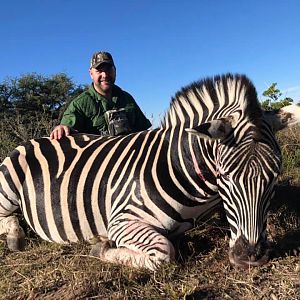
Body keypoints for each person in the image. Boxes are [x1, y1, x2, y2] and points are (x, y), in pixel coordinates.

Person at [50, 51, 151, 140]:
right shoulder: (80, 104)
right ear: (91, 74)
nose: (105, 75)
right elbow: (67, 126)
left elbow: (143, 130)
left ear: (115, 71)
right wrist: (62, 127)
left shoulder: (127, 98)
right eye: (99, 71)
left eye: (108, 70)